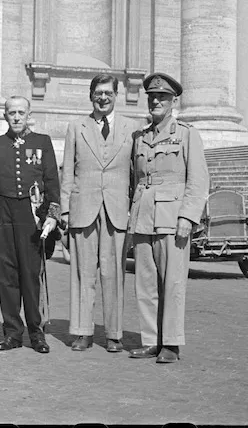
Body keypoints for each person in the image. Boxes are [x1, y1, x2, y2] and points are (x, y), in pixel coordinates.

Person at [128, 72, 209, 363]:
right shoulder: (140, 137)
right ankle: (151, 340)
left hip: (173, 218)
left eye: (162, 97)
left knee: (172, 283)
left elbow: (198, 181)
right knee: (146, 283)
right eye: (152, 97)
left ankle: (171, 344)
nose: (156, 101)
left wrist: (187, 217)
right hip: (143, 217)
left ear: (173, 101)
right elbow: (133, 180)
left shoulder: (187, 134)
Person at [60, 74, 141, 352]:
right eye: (98, 93)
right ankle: (82, 331)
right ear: (90, 95)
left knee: (113, 273)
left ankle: (113, 333)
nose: (103, 98)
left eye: (108, 93)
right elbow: (67, 172)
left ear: (116, 95)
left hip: (116, 210)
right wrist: (65, 210)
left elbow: (137, 173)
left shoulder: (133, 129)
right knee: (84, 273)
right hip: (83, 209)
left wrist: (134, 208)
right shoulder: (76, 127)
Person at [0, 96, 59, 354]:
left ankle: (36, 333)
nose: (16, 117)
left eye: (21, 113)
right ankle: (12, 332)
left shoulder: (42, 142)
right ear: (5, 116)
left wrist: (51, 214)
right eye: (11, 112)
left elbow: (51, 182)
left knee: (30, 274)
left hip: (31, 214)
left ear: (29, 115)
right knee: (7, 274)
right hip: (3, 212)